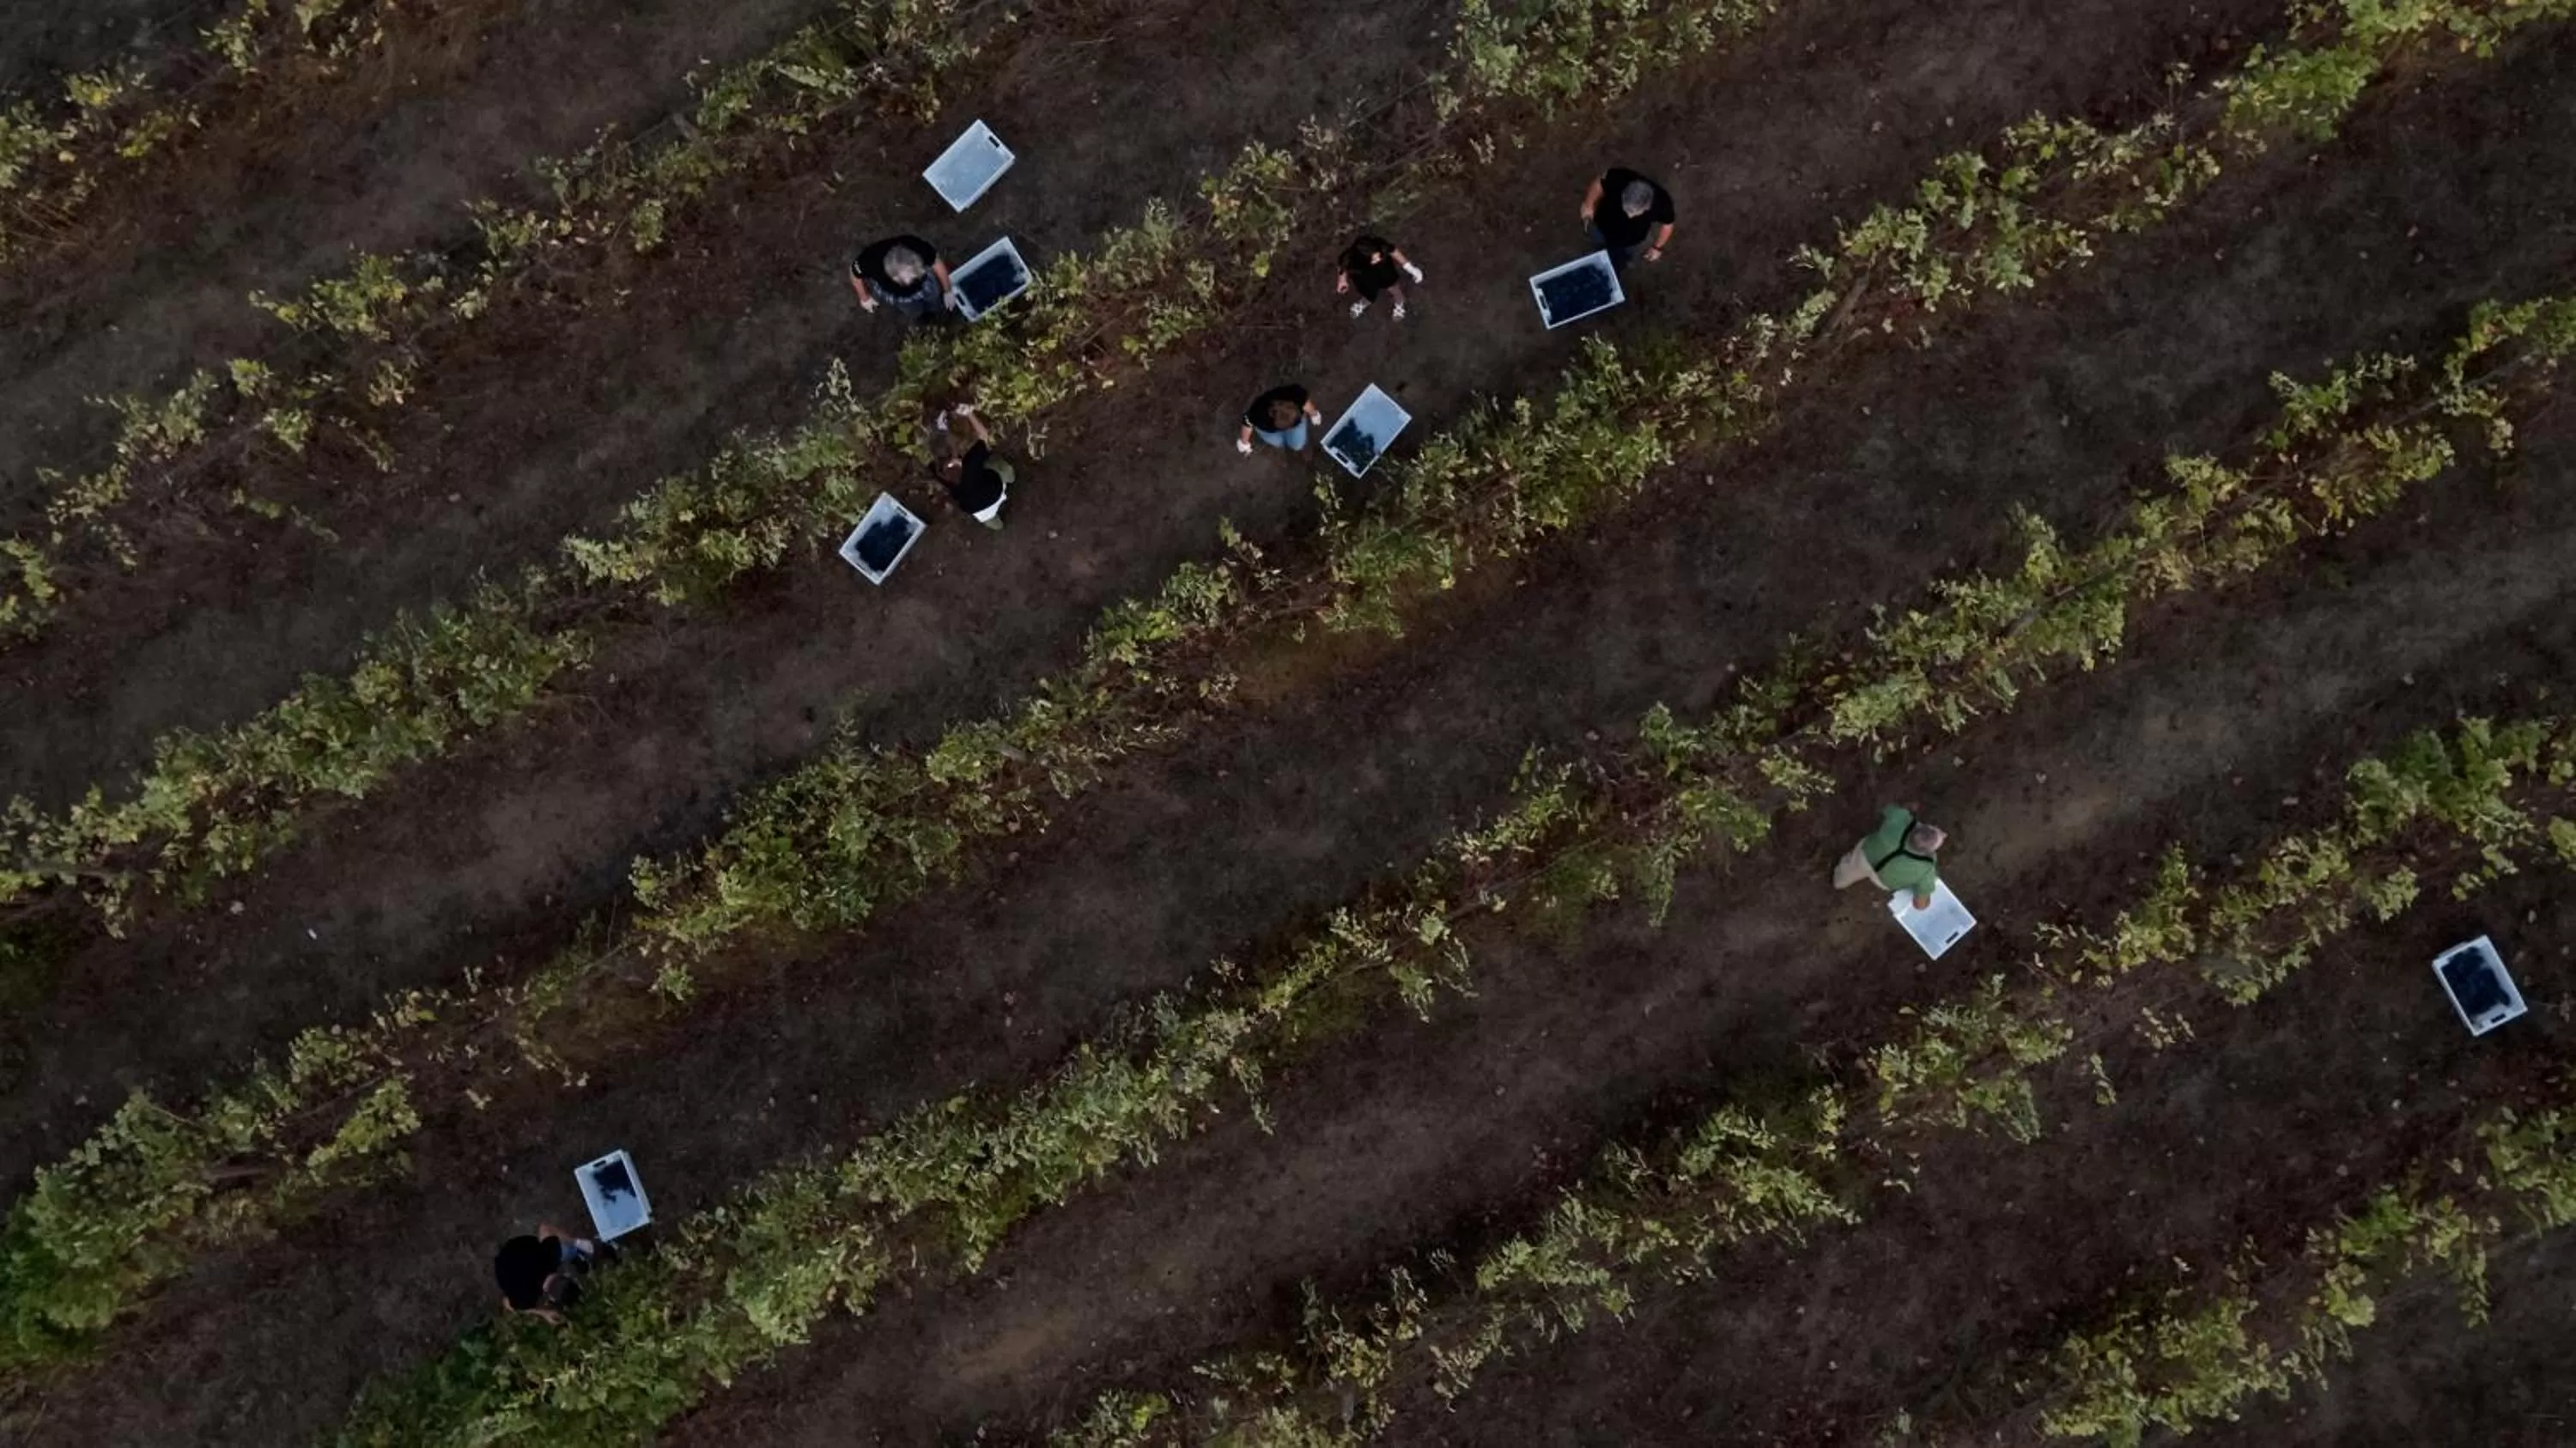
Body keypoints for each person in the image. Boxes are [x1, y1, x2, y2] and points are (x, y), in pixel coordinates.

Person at [1833, 805, 1947, 910]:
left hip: (1866, 855)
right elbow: (1920, 905)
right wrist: (1925, 903)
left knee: (1845, 874)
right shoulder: (1927, 868)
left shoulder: (1900, 818)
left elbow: (1887, 809)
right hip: (1883, 881)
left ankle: (1839, 882)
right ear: (1929, 851)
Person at [494, 1223, 604, 1323]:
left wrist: (579, 1243)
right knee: (564, 1250)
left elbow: (544, 1227)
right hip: (510, 1255)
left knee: (562, 1250)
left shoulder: (549, 1256)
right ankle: (576, 1254)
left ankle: (577, 1253)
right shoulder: (525, 1298)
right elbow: (507, 1303)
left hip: (512, 1254)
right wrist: (543, 1313)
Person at [933, 403, 1015, 529]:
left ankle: (998, 526)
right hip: (995, 488)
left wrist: (954, 455)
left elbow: (955, 477)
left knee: (994, 523)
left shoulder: (946, 480)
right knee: (996, 464)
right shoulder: (971, 464)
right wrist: (969, 413)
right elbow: (984, 436)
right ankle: (1010, 478)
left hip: (981, 510)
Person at [1579, 167, 1676, 272]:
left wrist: (1657, 248)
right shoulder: (1619, 177)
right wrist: (1588, 203)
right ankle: (1599, 250)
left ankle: (1622, 261)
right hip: (1602, 226)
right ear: (1624, 194)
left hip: (1631, 241)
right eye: (1627, 208)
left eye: (1634, 212)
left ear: (1647, 206)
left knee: (1622, 257)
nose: (1629, 215)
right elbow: (1599, 183)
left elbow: (1668, 225)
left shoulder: (1662, 204)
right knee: (1597, 243)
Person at [848, 234, 956, 319]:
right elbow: (854, 273)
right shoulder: (869, 261)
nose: (908, 282)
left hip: (926, 285)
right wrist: (864, 298)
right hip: (899, 296)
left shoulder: (916, 246)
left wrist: (948, 290)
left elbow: (936, 262)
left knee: (934, 298)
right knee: (912, 310)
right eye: (900, 279)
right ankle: (921, 317)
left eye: (913, 276)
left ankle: (936, 309)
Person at [1335, 234, 1424, 321]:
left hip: (1384, 269)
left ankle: (1399, 301)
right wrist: (1342, 281)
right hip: (1364, 275)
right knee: (1367, 289)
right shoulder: (1350, 259)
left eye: (1378, 256)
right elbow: (1342, 266)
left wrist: (1410, 268)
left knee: (1392, 285)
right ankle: (1367, 299)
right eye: (1374, 259)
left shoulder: (1380, 246)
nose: (1379, 259)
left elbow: (1394, 252)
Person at [1238, 384, 1325, 456]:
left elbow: (1305, 402)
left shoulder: (1295, 394)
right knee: (1280, 442)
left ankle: (1292, 443)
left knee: (1297, 445)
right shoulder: (1258, 414)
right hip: (1267, 430)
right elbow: (1247, 423)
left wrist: (1314, 414)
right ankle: (1286, 443)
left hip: (1283, 423)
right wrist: (1244, 443)